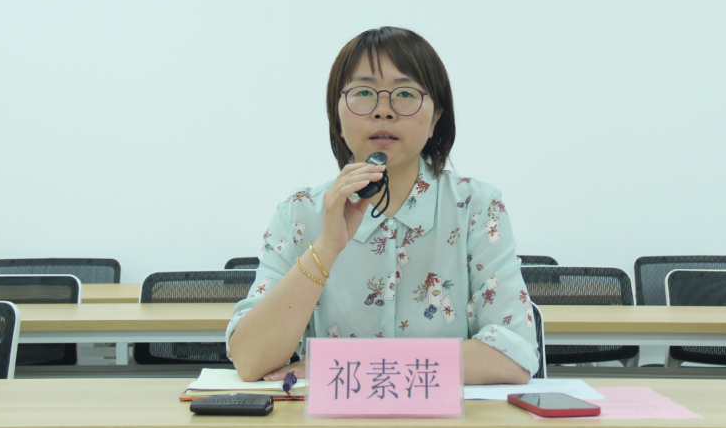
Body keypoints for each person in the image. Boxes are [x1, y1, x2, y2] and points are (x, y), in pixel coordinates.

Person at [226, 27, 540, 384]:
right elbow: (249, 359)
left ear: (435, 118)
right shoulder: (300, 213)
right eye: (363, 93)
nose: (384, 112)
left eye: (405, 94)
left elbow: (513, 353)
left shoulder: (476, 208)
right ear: (337, 118)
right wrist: (326, 248)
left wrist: (349, 363)